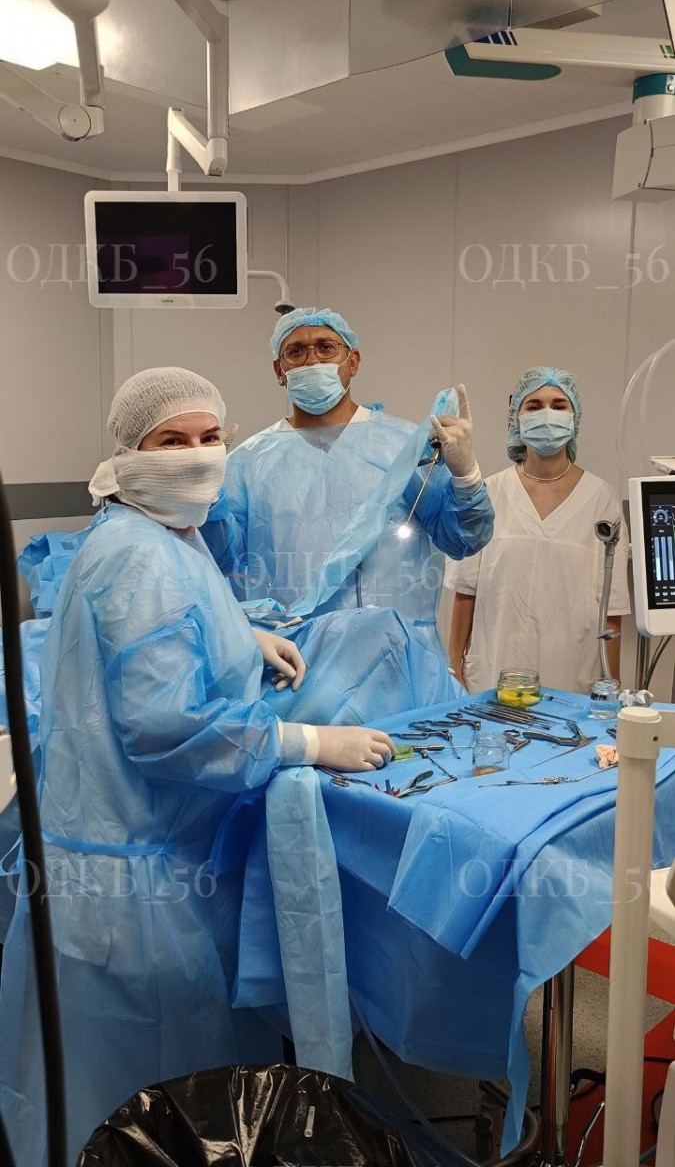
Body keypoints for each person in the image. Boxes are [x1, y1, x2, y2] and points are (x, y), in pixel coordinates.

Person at [0, 367, 398, 1167]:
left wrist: (239, 635)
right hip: (134, 897)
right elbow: (164, 729)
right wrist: (308, 742)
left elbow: (156, 635)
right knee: (146, 1112)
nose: (196, 454)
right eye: (170, 440)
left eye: (210, 437)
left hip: (131, 870)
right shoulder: (140, 557)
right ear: (129, 452)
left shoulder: (155, 532)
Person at [201, 308, 494, 659]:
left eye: (326, 347)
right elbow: (221, 560)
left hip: (398, 658)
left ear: (352, 361)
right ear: (279, 371)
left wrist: (466, 476)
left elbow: (463, 541)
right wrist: (205, 491)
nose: (312, 360)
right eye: (296, 351)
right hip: (296, 657)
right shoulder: (246, 463)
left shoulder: (405, 448)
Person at [447, 368, 630, 696]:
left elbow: (612, 611)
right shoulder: (488, 494)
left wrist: (611, 691)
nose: (547, 414)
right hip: (492, 677)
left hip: (573, 682)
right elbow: (465, 591)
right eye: (534, 406)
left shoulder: (602, 500)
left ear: (575, 417)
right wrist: (455, 668)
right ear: (516, 418)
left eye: (559, 406)